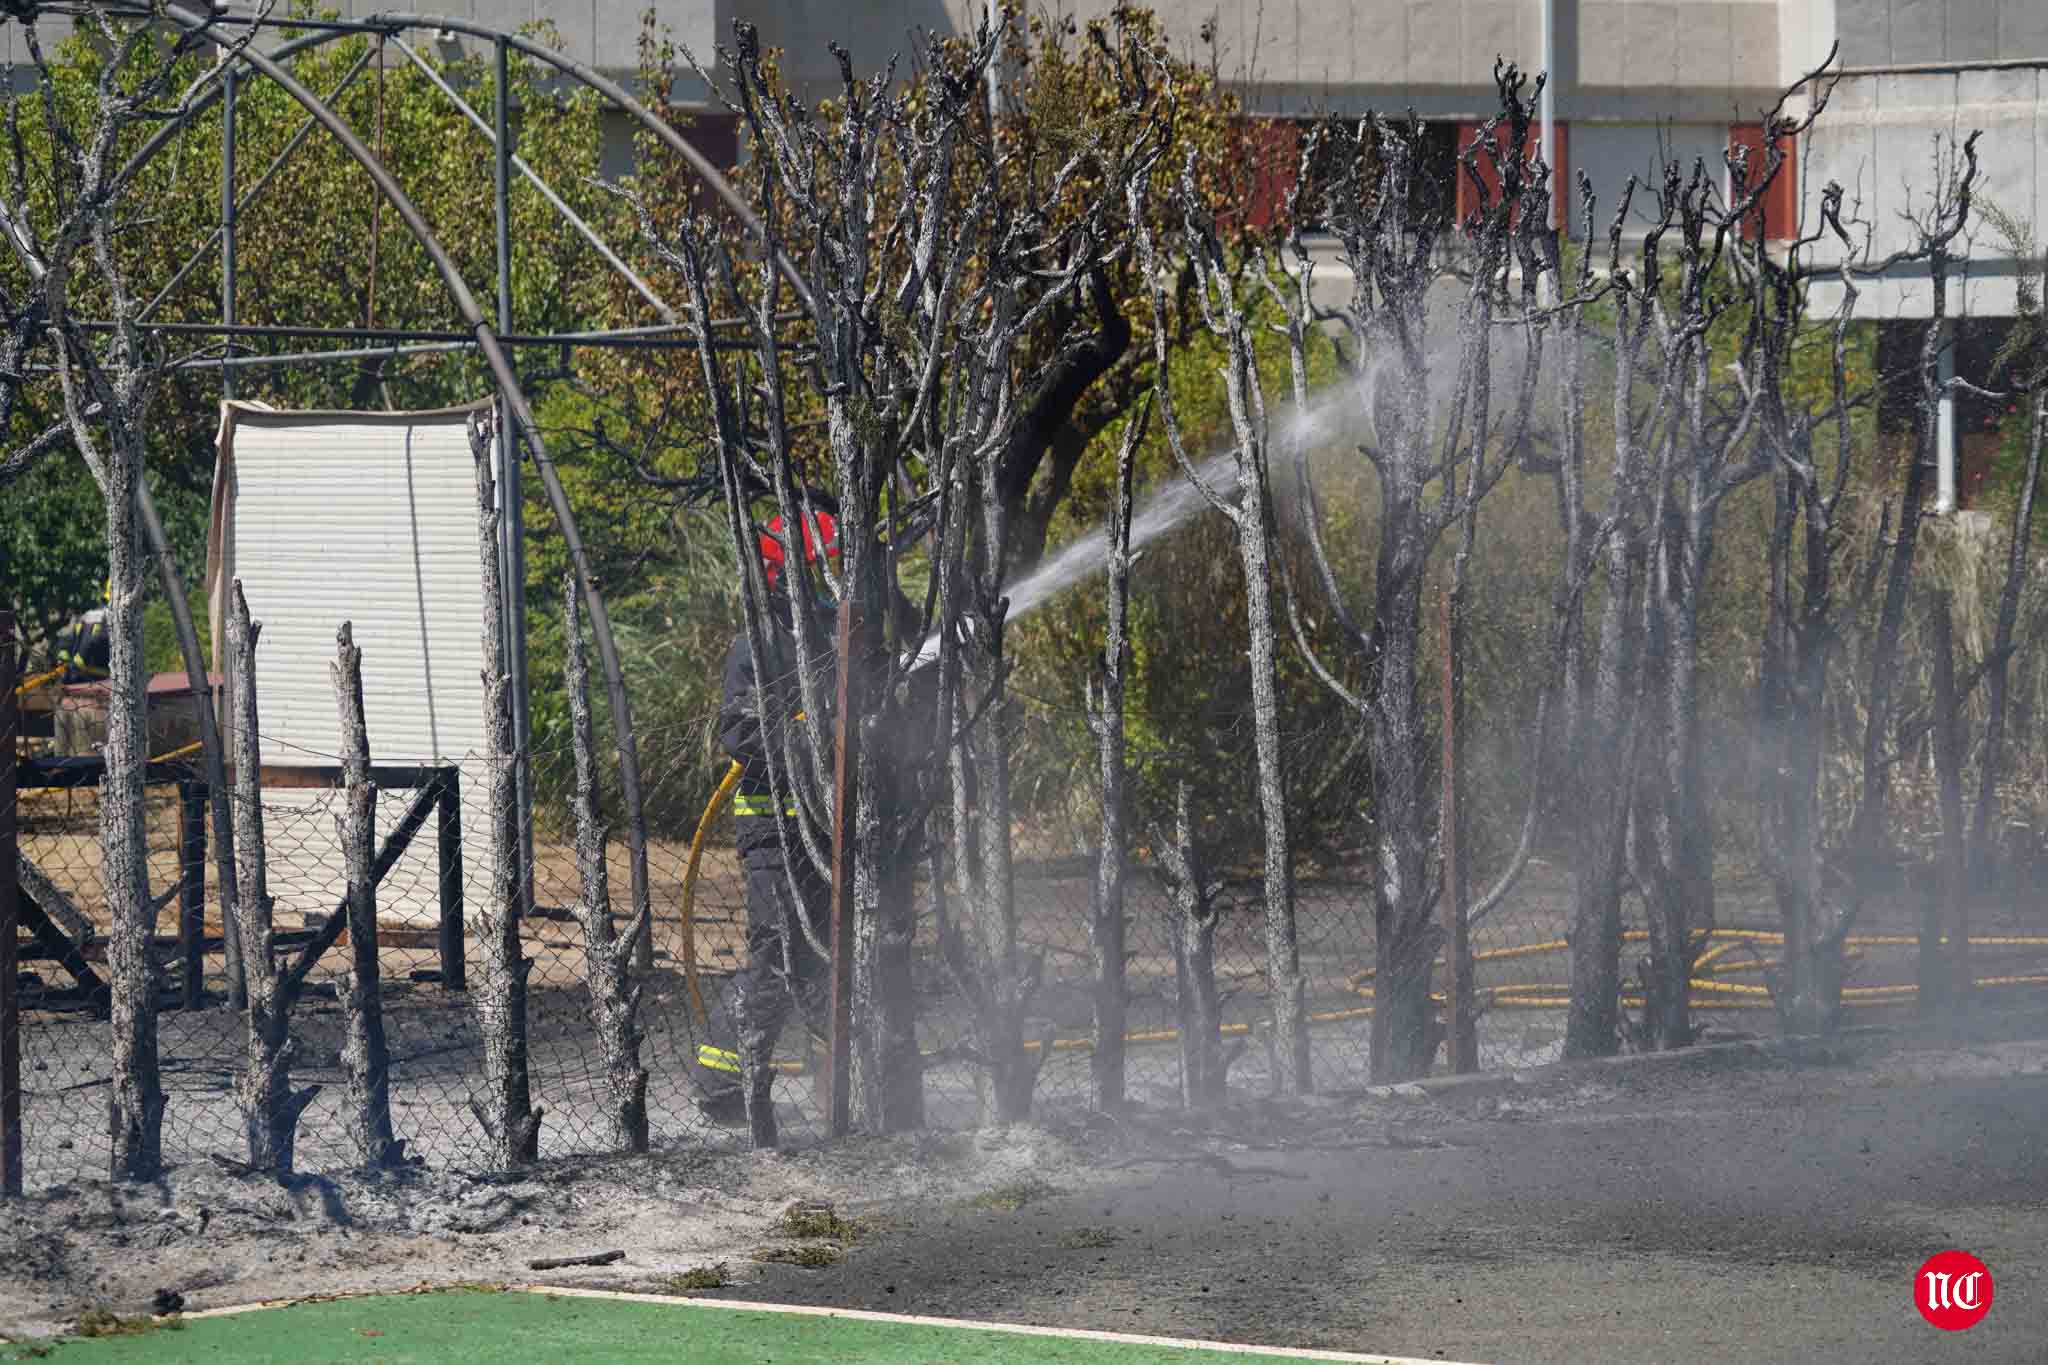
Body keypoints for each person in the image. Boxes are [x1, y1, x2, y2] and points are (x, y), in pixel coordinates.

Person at [690, 510, 841, 1127]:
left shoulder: (836, 635)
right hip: (775, 830)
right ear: (787, 577)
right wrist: (810, 731)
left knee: (826, 962)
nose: (829, 582)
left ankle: (841, 1089)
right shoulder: (757, 645)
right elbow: (740, 731)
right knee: (776, 958)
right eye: (819, 570)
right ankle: (720, 1084)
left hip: (827, 833)